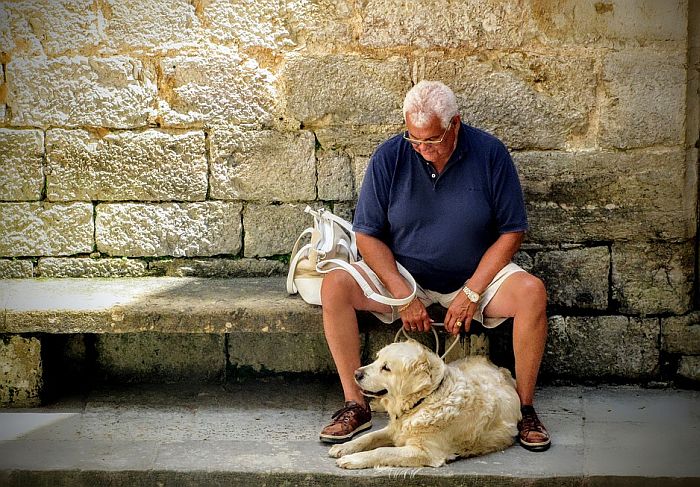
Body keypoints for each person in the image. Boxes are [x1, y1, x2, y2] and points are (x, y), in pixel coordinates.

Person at [318, 80, 550, 452]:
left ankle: (525, 409)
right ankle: (355, 404)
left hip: (476, 276)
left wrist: (473, 291)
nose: (422, 148)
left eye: (432, 139)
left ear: (454, 124)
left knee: (531, 293)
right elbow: (367, 236)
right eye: (414, 139)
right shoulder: (390, 156)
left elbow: (512, 232)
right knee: (335, 286)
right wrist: (402, 293)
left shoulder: (490, 153)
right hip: (405, 277)